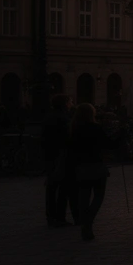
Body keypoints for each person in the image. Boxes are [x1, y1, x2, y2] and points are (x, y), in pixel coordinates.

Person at [66, 104, 121, 241]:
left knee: (83, 197)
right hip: (96, 165)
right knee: (98, 196)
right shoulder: (95, 128)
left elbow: (70, 149)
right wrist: (121, 135)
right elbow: (109, 144)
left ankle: (84, 221)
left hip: (81, 166)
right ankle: (88, 221)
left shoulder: (74, 129)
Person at [42, 94, 74, 227]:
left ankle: (51, 217)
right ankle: (60, 217)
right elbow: (68, 138)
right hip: (61, 156)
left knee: (51, 188)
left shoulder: (49, 116)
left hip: (50, 155)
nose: (71, 104)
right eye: (70, 102)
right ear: (65, 103)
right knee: (63, 188)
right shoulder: (63, 118)